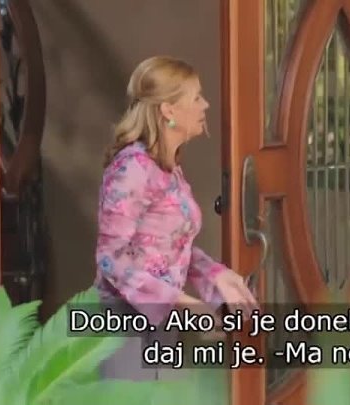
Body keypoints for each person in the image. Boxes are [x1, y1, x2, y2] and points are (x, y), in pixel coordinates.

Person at [93, 55, 258, 379]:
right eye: (196, 98)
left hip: (161, 324)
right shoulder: (132, 168)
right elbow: (111, 259)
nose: (205, 105)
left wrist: (215, 275)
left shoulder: (168, 169)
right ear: (168, 110)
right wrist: (184, 303)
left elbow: (168, 245)